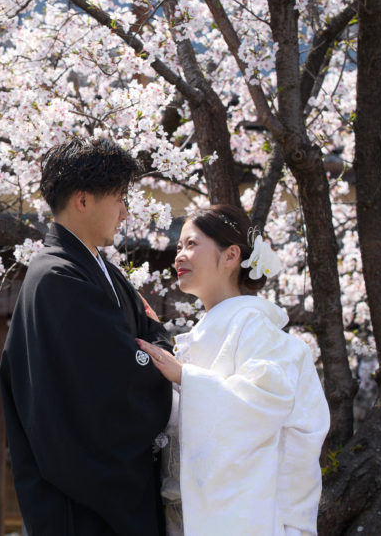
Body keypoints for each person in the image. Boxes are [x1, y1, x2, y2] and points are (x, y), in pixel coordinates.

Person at [0, 136, 174, 535]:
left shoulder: (99, 271)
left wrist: (152, 350)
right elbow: (122, 374)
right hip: (79, 505)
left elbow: (154, 333)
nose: (126, 214)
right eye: (119, 200)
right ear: (83, 200)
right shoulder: (58, 278)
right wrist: (156, 357)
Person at [137, 204, 331, 536]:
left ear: (231, 256)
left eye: (192, 244)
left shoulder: (253, 325)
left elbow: (264, 402)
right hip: (191, 512)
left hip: (244, 518)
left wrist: (186, 377)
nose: (179, 256)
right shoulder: (205, 332)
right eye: (179, 246)